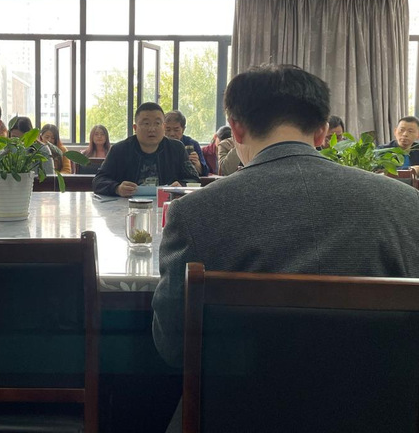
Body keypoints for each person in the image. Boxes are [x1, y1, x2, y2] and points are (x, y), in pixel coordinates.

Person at [152, 64, 419, 390]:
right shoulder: (408, 205)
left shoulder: (193, 213)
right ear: (321, 132)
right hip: (382, 409)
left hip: (237, 409)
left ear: (236, 130)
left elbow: (173, 346)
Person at [92, 102, 200, 197]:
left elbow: (193, 179)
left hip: (167, 205)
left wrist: (181, 186)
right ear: (135, 128)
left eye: (157, 123)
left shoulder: (177, 148)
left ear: (163, 127)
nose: (152, 129)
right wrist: (117, 188)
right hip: (127, 205)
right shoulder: (119, 150)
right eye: (146, 123)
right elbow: (98, 181)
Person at [164, 110, 208, 175]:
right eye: (168, 130)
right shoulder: (157, 143)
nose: (172, 134)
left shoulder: (192, 144)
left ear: (183, 129)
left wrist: (197, 163)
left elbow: (205, 172)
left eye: (176, 130)